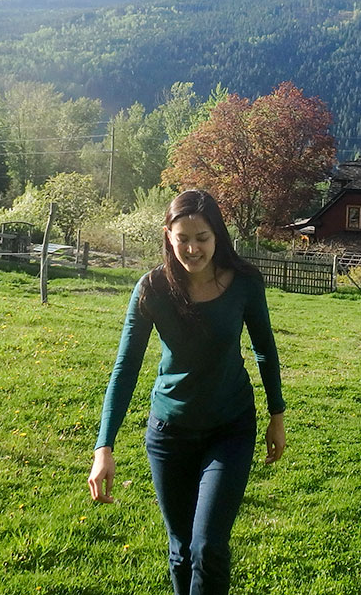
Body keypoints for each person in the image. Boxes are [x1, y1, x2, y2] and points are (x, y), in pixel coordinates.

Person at [89, 189, 286, 595]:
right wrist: (103, 446)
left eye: (203, 238)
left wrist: (276, 415)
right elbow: (125, 368)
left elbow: (264, 348)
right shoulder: (152, 289)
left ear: (219, 237)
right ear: (168, 235)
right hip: (168, 435)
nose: (193, 248)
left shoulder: (245, 282)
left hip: (230, 429)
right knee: (180, 549)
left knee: (208, 547)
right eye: (183, 239)